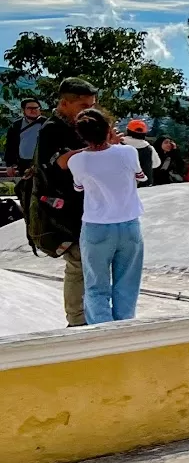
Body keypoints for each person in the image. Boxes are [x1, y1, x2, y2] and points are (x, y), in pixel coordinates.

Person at [29, 77, 100, 325]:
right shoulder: (52, 129)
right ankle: (77, 321)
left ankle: (89, 316)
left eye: (92, 105)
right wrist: (99, 148)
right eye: (83, 105)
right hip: (61, 211)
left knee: (90, 264)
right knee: (79, 263)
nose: (88, 110)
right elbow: (60, 162)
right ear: (64, 103)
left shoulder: (79, 126)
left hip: (85, 207)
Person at [66, 107, 145, 324]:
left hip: (96, 226)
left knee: (95, 285)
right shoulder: (128, 152)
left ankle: (101, 330)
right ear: (109, 129)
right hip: (129, 224)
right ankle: (123, 326)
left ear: (81, 134)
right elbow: (140, 176)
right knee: (127, 283)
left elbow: (78, 187)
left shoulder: (77, 161)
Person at [5, 97, 46, 249]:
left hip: (43, 166)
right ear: (24, 110)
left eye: (36, 107)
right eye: (30, 108)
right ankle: (32, 232)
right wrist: (10, 164)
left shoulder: (46, 124)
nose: (34, 110)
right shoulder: (16, 126)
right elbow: (11, 145)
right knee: (27, 196)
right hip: (24, 165)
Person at [122, 118, 161, 185]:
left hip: (124, 183)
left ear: (127, 130)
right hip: (145, 184)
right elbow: (156, 164)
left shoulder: (119, 144)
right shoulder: (149, 148)